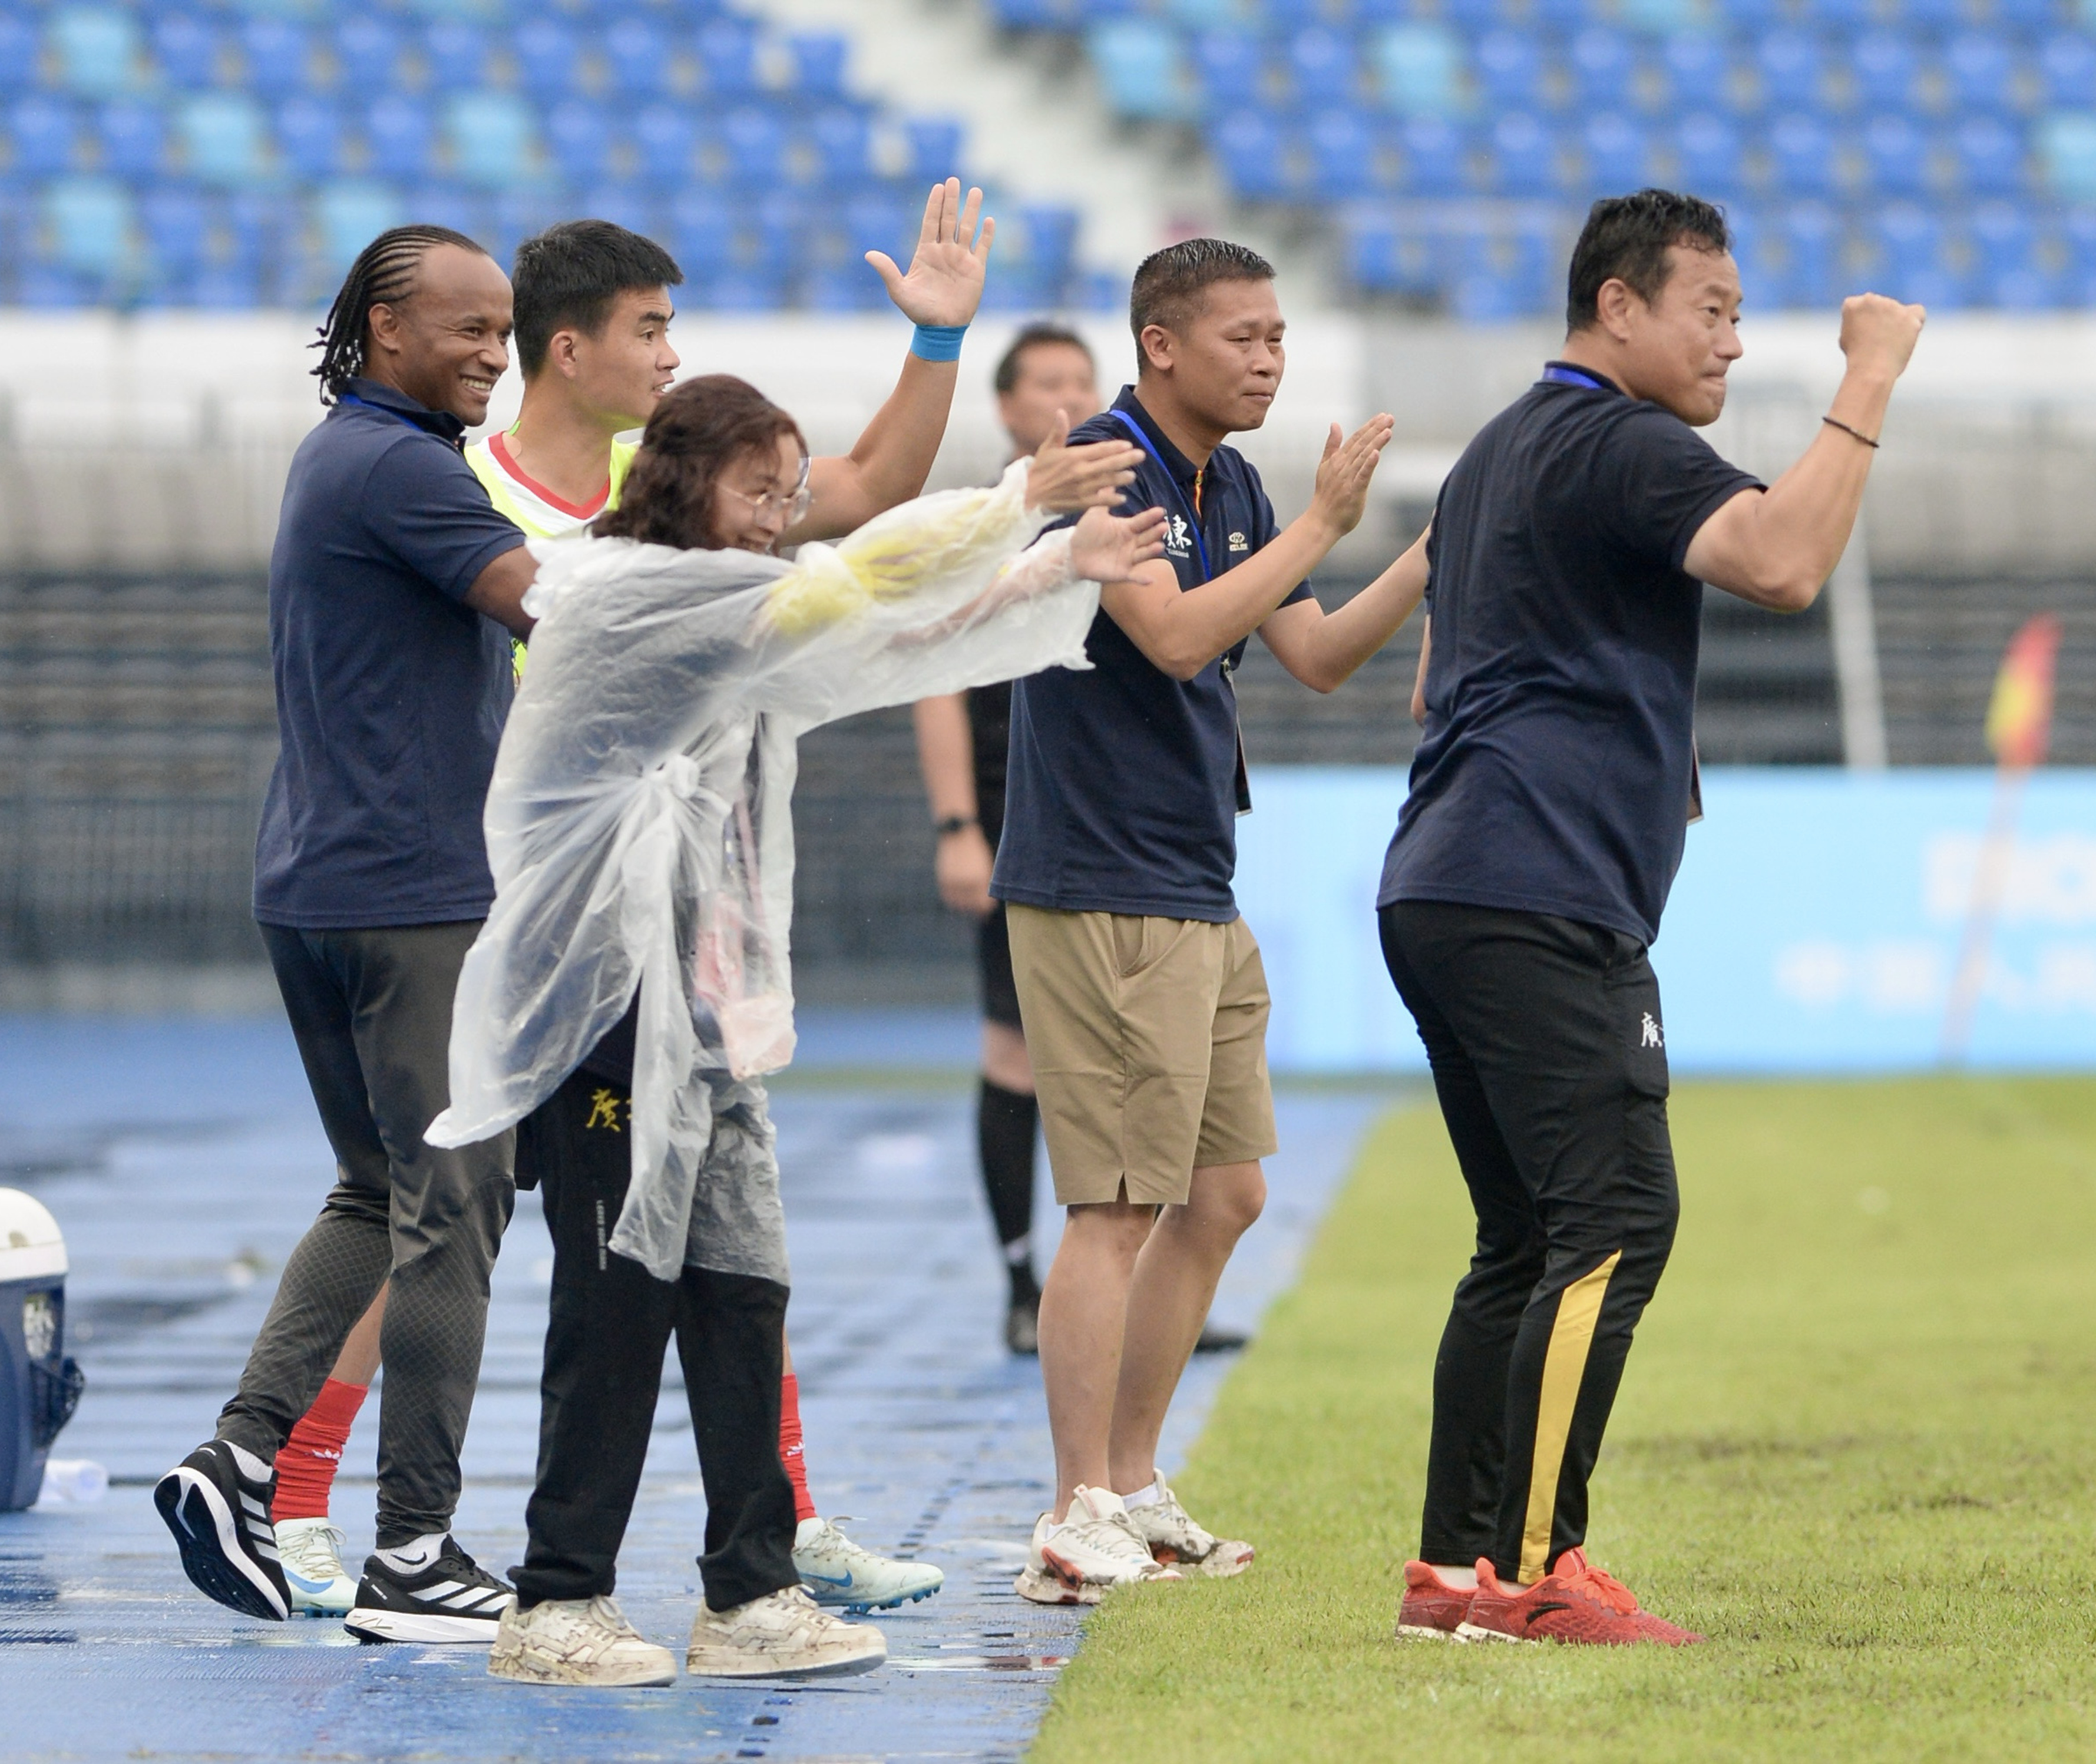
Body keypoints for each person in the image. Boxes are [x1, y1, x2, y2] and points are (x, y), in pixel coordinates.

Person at [257, 190, 1003, 1620]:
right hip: (508, 912)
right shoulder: (452, 487)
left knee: (711, 1192)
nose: (672, 355)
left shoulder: (649, 475)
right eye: (651, 329)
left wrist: (940, 337)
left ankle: (778, 1512)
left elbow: (856, 490)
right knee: (442, 1209)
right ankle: (306, 1502)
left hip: (656, 913)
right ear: (561, 348)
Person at [423, 374, 1162, 1687]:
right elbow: (851, 594)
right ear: (679, 482)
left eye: (789, 493)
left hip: (701, 1017)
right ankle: (556, 1600)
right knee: (614, 1302)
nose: (778, 516)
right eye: (756, 491)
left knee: (740, 1295)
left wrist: (1053, 561)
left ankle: (750, 1588)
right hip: (607, 1012)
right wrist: (1016, 504)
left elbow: (889, 642)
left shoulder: (736, 613)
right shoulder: (625, 592)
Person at [1379, 191, 1922, 1646]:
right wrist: (1867, 379)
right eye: (1715, 310)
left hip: (1442, 874)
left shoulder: (1497, 448)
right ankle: (1538, 1575)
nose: (1734, 342)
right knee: (1616, 1220)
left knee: (1524, 1238)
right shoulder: (1622, 438)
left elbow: (1439, 678)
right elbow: (1783, 562)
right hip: (1533, 888)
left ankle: (1452, 1576)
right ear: (1619, 307)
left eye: (1742, 318)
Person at [993, 239, 1428, 1604]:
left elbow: (1311, 657)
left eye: (1280, 336)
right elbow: (1174, 637)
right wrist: (1320, 528)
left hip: (1193, 875)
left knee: (1226, 1192)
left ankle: (1132, 1479)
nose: (1271, 358)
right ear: (1161, 345)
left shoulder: (1228, 478)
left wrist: (1433, 551)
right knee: (1118, 1205)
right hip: (1100, 881)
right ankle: (1077, 1508)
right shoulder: (1103, 466)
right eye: (1244, 336)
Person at [151, 225, 543, 1642]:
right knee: (455, 1211)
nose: (493, 353)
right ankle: (415, 1551)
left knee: (378, 1191)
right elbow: (549, 610)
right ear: (385, 332)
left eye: (505, 330)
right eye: (469, 329)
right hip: (413, 897)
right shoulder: (400, 467)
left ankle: (241, 1456)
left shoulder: (350, 457)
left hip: (317, 881)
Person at [911, 321, 1097, 1356]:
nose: (1070, 395)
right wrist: (958, 829)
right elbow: (934, 684)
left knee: (1116, 1063)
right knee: (1018, 1053)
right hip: (1014, 811)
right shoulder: (978, 522)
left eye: (1084, 376)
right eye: (1048, 381)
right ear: (1008, 407)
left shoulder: (1132, 504)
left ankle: (1108, 1293)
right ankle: (1026, 1285)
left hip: (1107, 816)